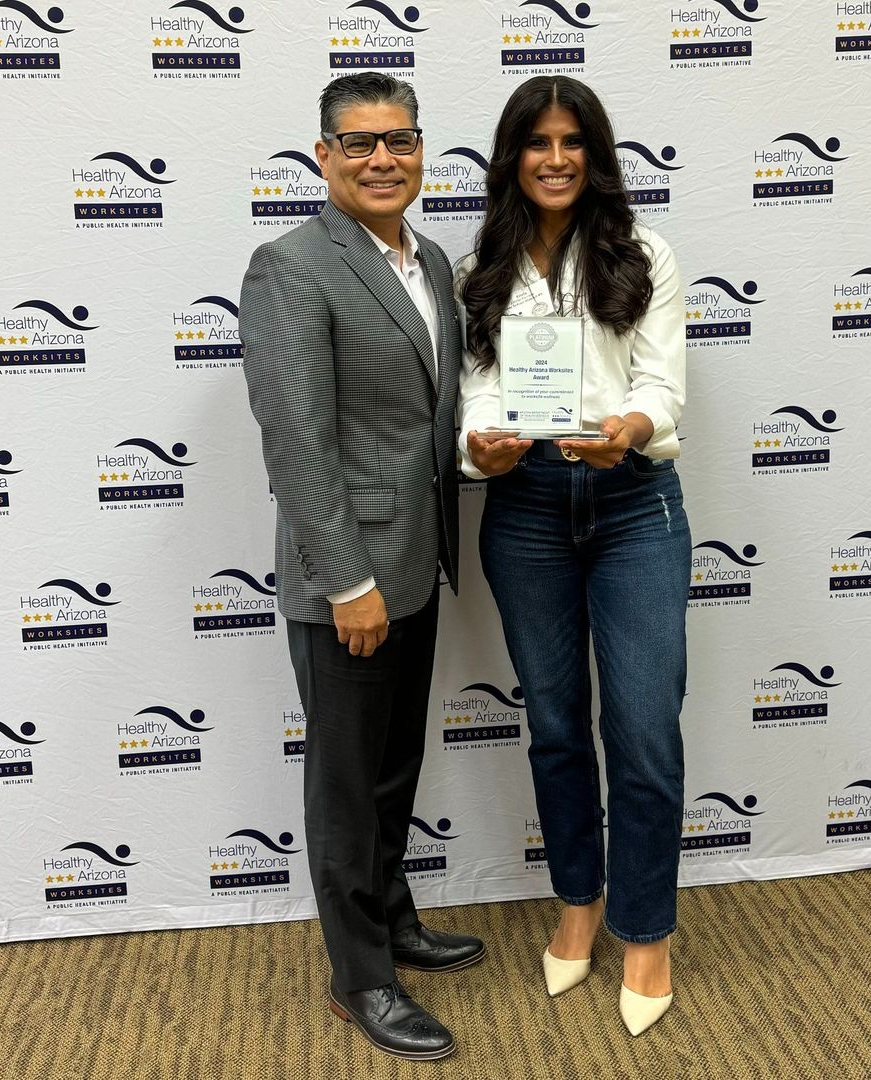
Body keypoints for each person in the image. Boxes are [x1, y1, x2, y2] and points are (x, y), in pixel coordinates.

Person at [239, 72, 483, 1062]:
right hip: (350, 581)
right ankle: (359, 977)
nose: (383, 159)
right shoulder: (289, 266)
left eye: (401, 141)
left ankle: (389, 914)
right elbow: (296, 442)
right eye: (359, 143)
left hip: (416, 560)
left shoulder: (425, 257)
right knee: (344, 784)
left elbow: (424, 413)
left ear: (422, 151)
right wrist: (346, 581)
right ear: (323, 156)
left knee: (390, 767)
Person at [457, 76, 690, 1037]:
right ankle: (578, 905)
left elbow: (664, 389)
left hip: (635, 504)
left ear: (595, 153)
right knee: (555, 723)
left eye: (573, 141)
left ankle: (646, 932)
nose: (556, 158)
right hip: (525, 509)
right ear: (513, 156)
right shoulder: (484, 262)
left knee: (642, 729)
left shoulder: (645, 253)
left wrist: (630, 427)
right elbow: (476, 391)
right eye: (536, 142)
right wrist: (482, 443)